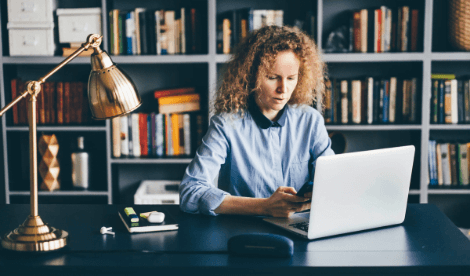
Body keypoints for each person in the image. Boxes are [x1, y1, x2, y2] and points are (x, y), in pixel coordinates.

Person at [179, 25, 334, 217]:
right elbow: (190, 192)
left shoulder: (310, 120)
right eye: (272, 77)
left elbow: (332, 178)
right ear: (251, 76)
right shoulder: (226, 125)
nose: (283, 89)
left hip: (301, 230)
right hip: (244, 233)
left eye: (291, 78)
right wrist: (264, 207)